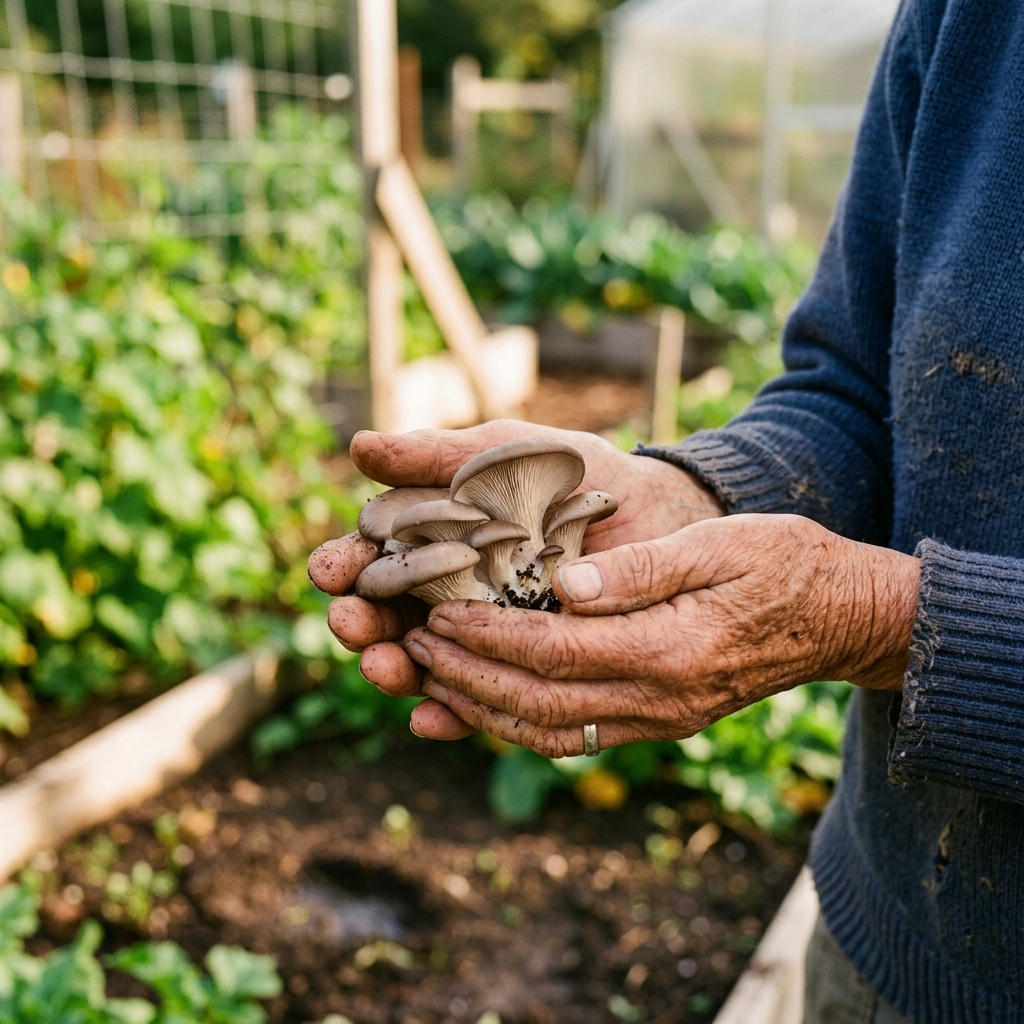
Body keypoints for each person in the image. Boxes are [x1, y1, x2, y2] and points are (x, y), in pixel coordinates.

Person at [309, 1, 1024, 1020]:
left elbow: (890, 613)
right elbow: (853, 383)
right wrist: (703, 491)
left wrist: (897, 627)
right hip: (886, 933)